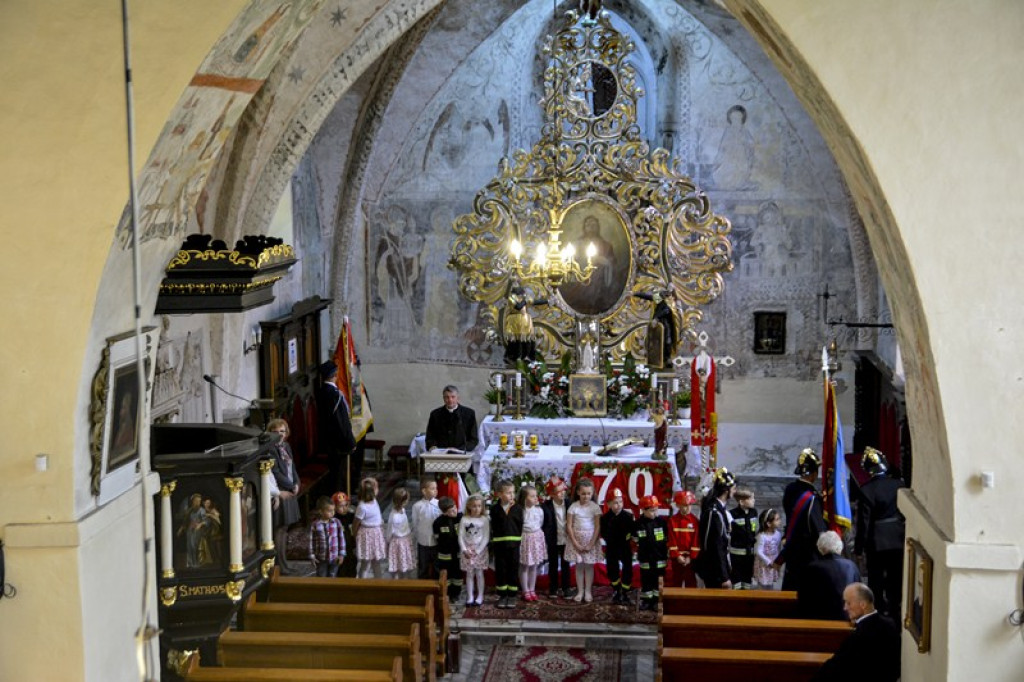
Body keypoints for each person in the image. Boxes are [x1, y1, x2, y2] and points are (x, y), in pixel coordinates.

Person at [810, 583, 901, 682]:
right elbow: (895, 669)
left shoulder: (858, 637)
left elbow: (834, 668)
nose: (845, 608)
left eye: (848, 603)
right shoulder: (890, 624)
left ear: (863, 605)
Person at [855, 446, 905, 618]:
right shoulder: (899, 485)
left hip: (875, 542)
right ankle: (895, 610)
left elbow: (864, 522)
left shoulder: (866, 490)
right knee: (895, 577)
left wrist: (859, 548)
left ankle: (876, 612)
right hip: (898, 539)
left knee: (875, 579)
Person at [777, 447, 828, 591]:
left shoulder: (790, 489)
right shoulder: (811, 496)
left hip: (792, 545)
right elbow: (817, 528)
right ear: (813, 474)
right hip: (808, 551)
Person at [798, 530, 862, 620]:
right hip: (846, 616)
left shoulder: (811, 567)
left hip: (817, 618)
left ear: (820, 548)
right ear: (840, 547)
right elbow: (860, 594)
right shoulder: (851, 566)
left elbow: (802, 597)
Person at [316, 361, 356, 496]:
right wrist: (350, 441)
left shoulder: (321, 391)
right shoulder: (333, 394)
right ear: (335, 375)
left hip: (328, 440)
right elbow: (341, 421)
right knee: (339, 476)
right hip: (338, 443)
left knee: (335, 475)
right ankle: (340, 504)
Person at [267, 419, 301, 575]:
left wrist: (297, 483)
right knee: (279, 530)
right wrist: (289, 486)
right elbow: (275, 472)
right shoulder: (270, 449)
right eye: (276, 432)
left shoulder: (286, 446)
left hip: (290, 489)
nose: (279, 434)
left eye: (282, 431)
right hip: (280, 492)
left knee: (285, 528)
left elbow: (291, 467)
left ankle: (285, 565)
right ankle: (279, 567)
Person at [696, 467, 736, 589]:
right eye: (733, 489)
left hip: (717, 566)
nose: (735, 491)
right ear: (726, 491)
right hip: (714, 570)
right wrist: (724, 576)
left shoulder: (718, 509)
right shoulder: (714, 513)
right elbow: (715, 546)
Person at [565, 477, 603, 603]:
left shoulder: (595, 507)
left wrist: (592, 543)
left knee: (589, 566)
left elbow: (597, 526)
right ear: (578, 493)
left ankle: (588, 591)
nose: (586, 496)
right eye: (583, 493)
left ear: (592, 494)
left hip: (590, 540)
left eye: (588, 494)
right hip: (577, 540)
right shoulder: (573, 507)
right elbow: (569, 526)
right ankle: (580, 591)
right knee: (579, 566)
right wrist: (575, 543)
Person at [489, 480, 523, 609]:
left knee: (513, 569)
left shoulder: (518, 508)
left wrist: (518, 540)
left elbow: (520, 525)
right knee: (501, 570)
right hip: (499, 545)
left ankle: (512, 595)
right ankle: (503, 595)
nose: (512, 495)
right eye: (508, 493)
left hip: (514, 545)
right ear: (499, 494)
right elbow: (494, 527)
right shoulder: (494, 509)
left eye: (513, 492)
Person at [600, 487, 635, 604]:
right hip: (611, 547)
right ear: (609, 504)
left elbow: (632, 531)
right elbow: (604, 533)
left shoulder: (628, 517)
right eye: (615, 502)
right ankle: (616, 589)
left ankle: (625, 591)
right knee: (612, 568)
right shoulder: (605, 518)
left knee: (627, 568)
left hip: (625, 547)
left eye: (620, 502)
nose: (618, 505)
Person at [541, 477, 574, 599]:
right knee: (553, 564)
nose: (563, 493)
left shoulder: (569, 503)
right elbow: (543, 523)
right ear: (552, 494)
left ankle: (566, 588)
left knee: (566, 564)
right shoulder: (546, 506)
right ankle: (553, 588)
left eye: (563, 490)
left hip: (566, 538)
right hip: (553, 539)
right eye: (559, 491)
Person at [635, 495, 669, 611]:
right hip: (645, 558)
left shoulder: (661, 523)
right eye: (652, 510)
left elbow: (666, 540)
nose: (654, 513)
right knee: (646, 579)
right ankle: (646, 600)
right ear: (643, 510)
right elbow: (635, 540)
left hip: (659, 557)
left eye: (656, 510)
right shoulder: (638, 524)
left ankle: (657, 600)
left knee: (658, 579)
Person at [425, 385, 479, 453]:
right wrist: (434, 448)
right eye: (447, 397)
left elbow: (473, 439)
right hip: (440, 454)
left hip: (462, 453)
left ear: (458, 398)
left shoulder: (469, 414)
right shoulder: (435, 414)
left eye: (453, 397)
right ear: (443, 398)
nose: (450, 400)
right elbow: (430, 436)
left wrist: (460, 449)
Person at [502, 285, 548, 365]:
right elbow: (518, 307)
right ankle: (514, 357)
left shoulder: (524, 298)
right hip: (515, 321)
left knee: (528, 340)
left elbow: (534, 302)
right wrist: (525, 301)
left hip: (525, 321)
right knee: (516, 341)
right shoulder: (511, 298)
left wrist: (547, 301)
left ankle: (529, 356)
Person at [459, 494, 490, 607]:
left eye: (479, 506)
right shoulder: (464, 519)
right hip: (467, 551)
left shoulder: (484, 520)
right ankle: (470, 596)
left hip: (479, 550)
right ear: (469, 507)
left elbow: (486, 537)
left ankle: (480, 595)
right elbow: (461, 536)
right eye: (474, 506)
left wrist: (477, 551)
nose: (477, 509)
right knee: (469, 574)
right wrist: (464, 550)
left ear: (482, 507)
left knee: (479, 573)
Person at [632, 289, 677, 368]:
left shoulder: (669, 302)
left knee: (667, 342)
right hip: (657, 325)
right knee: (655, 342)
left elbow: (666, 311)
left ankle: (667, 358)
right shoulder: (659, 299)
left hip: (666, 325)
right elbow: (647, 296)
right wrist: (634, 293)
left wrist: (656, 318)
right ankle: (657, 359)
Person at [518, 485, 547, 602]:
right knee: (525, 565)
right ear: (525, 498)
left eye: (536, 496)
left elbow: (540, 522)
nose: (536, 498)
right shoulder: (520, 511)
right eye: (532, 496)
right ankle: (525, 590)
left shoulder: (539, 510)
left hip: (536, 538)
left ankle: (532, 589)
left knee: (534, 565)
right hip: (525, 538)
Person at [352, 477, 386, 578]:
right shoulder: (362, 507)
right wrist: (354, 535)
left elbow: (373, 482)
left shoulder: (374, 500)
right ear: (373, 492)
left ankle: (378, 584)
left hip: (376, 534)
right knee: (365, 563)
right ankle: (363, 584)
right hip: (366, 535)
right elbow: (356, 523)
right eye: (376, 488)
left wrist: (367, 480)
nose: (378, 489)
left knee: (376, 562)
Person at [668, 490, 700, 588]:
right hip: (677, 559)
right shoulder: (672, 521)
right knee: (675, 582)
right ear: (678, 505)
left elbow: (696, 541)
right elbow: (671, 540)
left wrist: (690, 557)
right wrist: (677, 556)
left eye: (690, 505)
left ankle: (691, 603)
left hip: (690, 560)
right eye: (685, 505)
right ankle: (675, 603)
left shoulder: (695, 521)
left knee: (691, 583)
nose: (688, 508)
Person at [433, 496, 463, 601]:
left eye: (455, 508)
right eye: (451, 511)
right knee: (447, 573)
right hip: (445, 554)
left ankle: (457, 592)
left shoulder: (460, 518)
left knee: (457, 573)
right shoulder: (438, 523)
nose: (454, 511)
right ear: (444, 512)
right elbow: (437, 538)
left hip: (458, 552)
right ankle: (448, 592)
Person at [411, 476, 441, 579]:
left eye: (436, 488)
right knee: (423, 566)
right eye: (432, 488)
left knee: (437, 566)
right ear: (424, 491)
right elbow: (415, 523)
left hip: (436, 541)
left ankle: (437, 587)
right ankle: (423, 585)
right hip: (423, 541)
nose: (435, 491)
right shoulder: (417, 506)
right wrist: (416, 538)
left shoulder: (438, 504)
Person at [308, 496, 345, 578]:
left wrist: (341, 554)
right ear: (321, 512)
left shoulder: (337, 522)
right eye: (330, 511)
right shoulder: (315, 525)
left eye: (334, 510)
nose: (333, 513)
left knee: (333, 576)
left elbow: (341, 538)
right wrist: (311, 555)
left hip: (335, 557)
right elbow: (311, 541)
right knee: (321, 576)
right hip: (321, 558)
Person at [729, 488, 759, 588]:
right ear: (741, 502)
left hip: (749, 552)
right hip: (737, 553)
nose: (754, 500)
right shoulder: (732, 514)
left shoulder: (754, 512)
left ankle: (746, 593)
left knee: (747, 576)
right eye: (751, 499)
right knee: (736, 576)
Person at [386, 488, 416, 579]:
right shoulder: (393, 516)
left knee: (404, 563)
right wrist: (388, 542)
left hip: (405, 540)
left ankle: (403, 579)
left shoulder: (403, 510)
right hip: (397, 542)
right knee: (397, 564)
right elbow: (389, 530)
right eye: (407, 500)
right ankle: (397, 581)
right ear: (402, 501)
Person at [753, 507, 783, 589]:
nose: (780, 521)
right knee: (762, 584)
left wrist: (778, 561)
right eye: (777, 519)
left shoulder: (778, 534)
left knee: (770, 583)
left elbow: (778, 547)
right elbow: (758, 551)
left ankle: (770, 597)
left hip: (773, 562)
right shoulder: (762, 536)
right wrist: (769, 562)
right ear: (769, 524)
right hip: (763, 563)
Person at [332, 492, 357, 577]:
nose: (344, 508)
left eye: (346, 505)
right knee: (341, 570)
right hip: (339, 550)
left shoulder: (351, 516)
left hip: (350, 547)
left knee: (352, 566)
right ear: (334, 507)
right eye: (341, 506)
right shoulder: (334, 519)